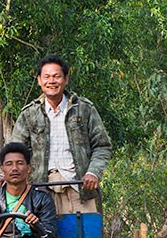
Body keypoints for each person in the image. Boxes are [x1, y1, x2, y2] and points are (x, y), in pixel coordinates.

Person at [6, 53, 112, 215]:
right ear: (39, 81)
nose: (52, 81)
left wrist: (93, 172)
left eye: (56, 76)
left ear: (66, 79)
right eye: (47, 77)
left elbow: (102, 146)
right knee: (41, 237)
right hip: (41, 192)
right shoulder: (29, 113)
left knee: (84, 237)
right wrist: (1, 176)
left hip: (79, 188)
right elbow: (15, 151)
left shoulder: (84, 108)